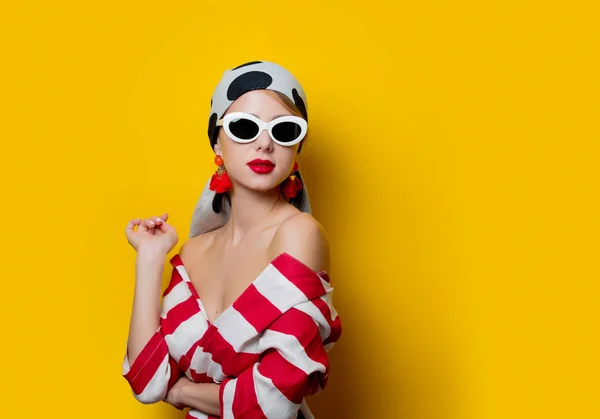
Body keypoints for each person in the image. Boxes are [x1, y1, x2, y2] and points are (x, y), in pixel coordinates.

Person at [121, 61, 342, 419]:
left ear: (296, 150)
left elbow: (274, 400)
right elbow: (147, 381)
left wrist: (178, 390)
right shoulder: (193, 251)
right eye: (244, 127)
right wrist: (150, 257)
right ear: (216, 141)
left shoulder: (299, 234)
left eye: (284, 130)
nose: (265, 144)